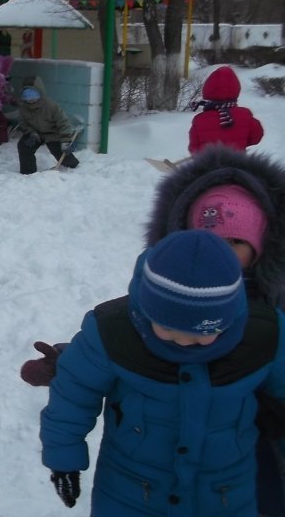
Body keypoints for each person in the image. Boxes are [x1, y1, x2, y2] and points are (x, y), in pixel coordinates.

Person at [21, 145, 285, 516]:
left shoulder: (270, 326)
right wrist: (70, 362)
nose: (217, 252)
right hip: (136, 487)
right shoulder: (155, 295)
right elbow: (117, 341)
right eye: (206, 236)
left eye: (235, 242)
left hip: (237, 473)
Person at [188, 65, 264, 155]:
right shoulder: (245, 115)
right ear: (236, 90)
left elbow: (194, 149)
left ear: (207, 90)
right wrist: (239, 143)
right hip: (238, 165)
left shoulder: (199, 120)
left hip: (211, 167)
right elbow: (256, 137)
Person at [14, 75, 79, 174]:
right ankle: (28, 172)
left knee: (63, 155)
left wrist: (66, 141)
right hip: (35, 134)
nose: (30, 99)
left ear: (40, 92)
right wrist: (31, 133)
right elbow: (23, 123)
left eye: (33, 94)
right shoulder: (23, 108)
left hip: (53, 134)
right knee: (24, 146)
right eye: (26, 95)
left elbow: (63, 123)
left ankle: (73, 165)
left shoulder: (51, 106)